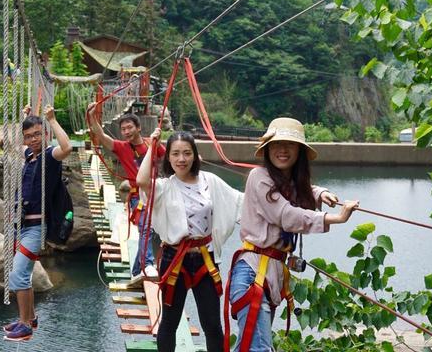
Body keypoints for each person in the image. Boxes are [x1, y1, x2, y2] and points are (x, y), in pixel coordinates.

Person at [224, 117, 359, 352]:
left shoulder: (289, 182)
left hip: (270, 274)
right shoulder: (259, 177)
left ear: (299, 151)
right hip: (252, 275)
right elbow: (286, 215)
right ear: (267, 149)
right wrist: (333, 218)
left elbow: (297, 192)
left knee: (250, 347)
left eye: (290, 144)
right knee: (259, 348)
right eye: (276, 144)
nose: (282, 150)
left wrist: (320, 193)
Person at [137, 128, 243, 352]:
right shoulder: (165, 187)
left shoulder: (210, 181)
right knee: (170, 323)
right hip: (174, 258)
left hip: (205, 258)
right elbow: (141, 180)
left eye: (186, 153)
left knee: (213, 325)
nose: (181, 159)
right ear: (168, 157)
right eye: (175, 154)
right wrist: (152, 146)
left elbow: (241, 201)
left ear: (195, 155)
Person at [3, 104, 72, 342]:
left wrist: (52, 120)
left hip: (36, 228)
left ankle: (24, 325)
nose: (32, 140)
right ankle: (30, 317)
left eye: (37, 135)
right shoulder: (29, 156)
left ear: (45, 135)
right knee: (26, 274)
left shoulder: (50, 155)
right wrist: (24, 118)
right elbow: (12, 144)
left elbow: (68, 147)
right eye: (28, 136)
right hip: (22, 227)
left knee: (19, 275)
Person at [87, 104, 165, 283]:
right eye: (123, 129)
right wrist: (92, 117)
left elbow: (168, 158)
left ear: (138, 128)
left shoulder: (150, 143)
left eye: (130, 127)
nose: (126, 132)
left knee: (153, 230)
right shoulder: (121, 147)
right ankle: (147, 265)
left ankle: (138, 269)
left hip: (155, 194)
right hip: (137, 196)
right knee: (145, 227)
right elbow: (101, 136)